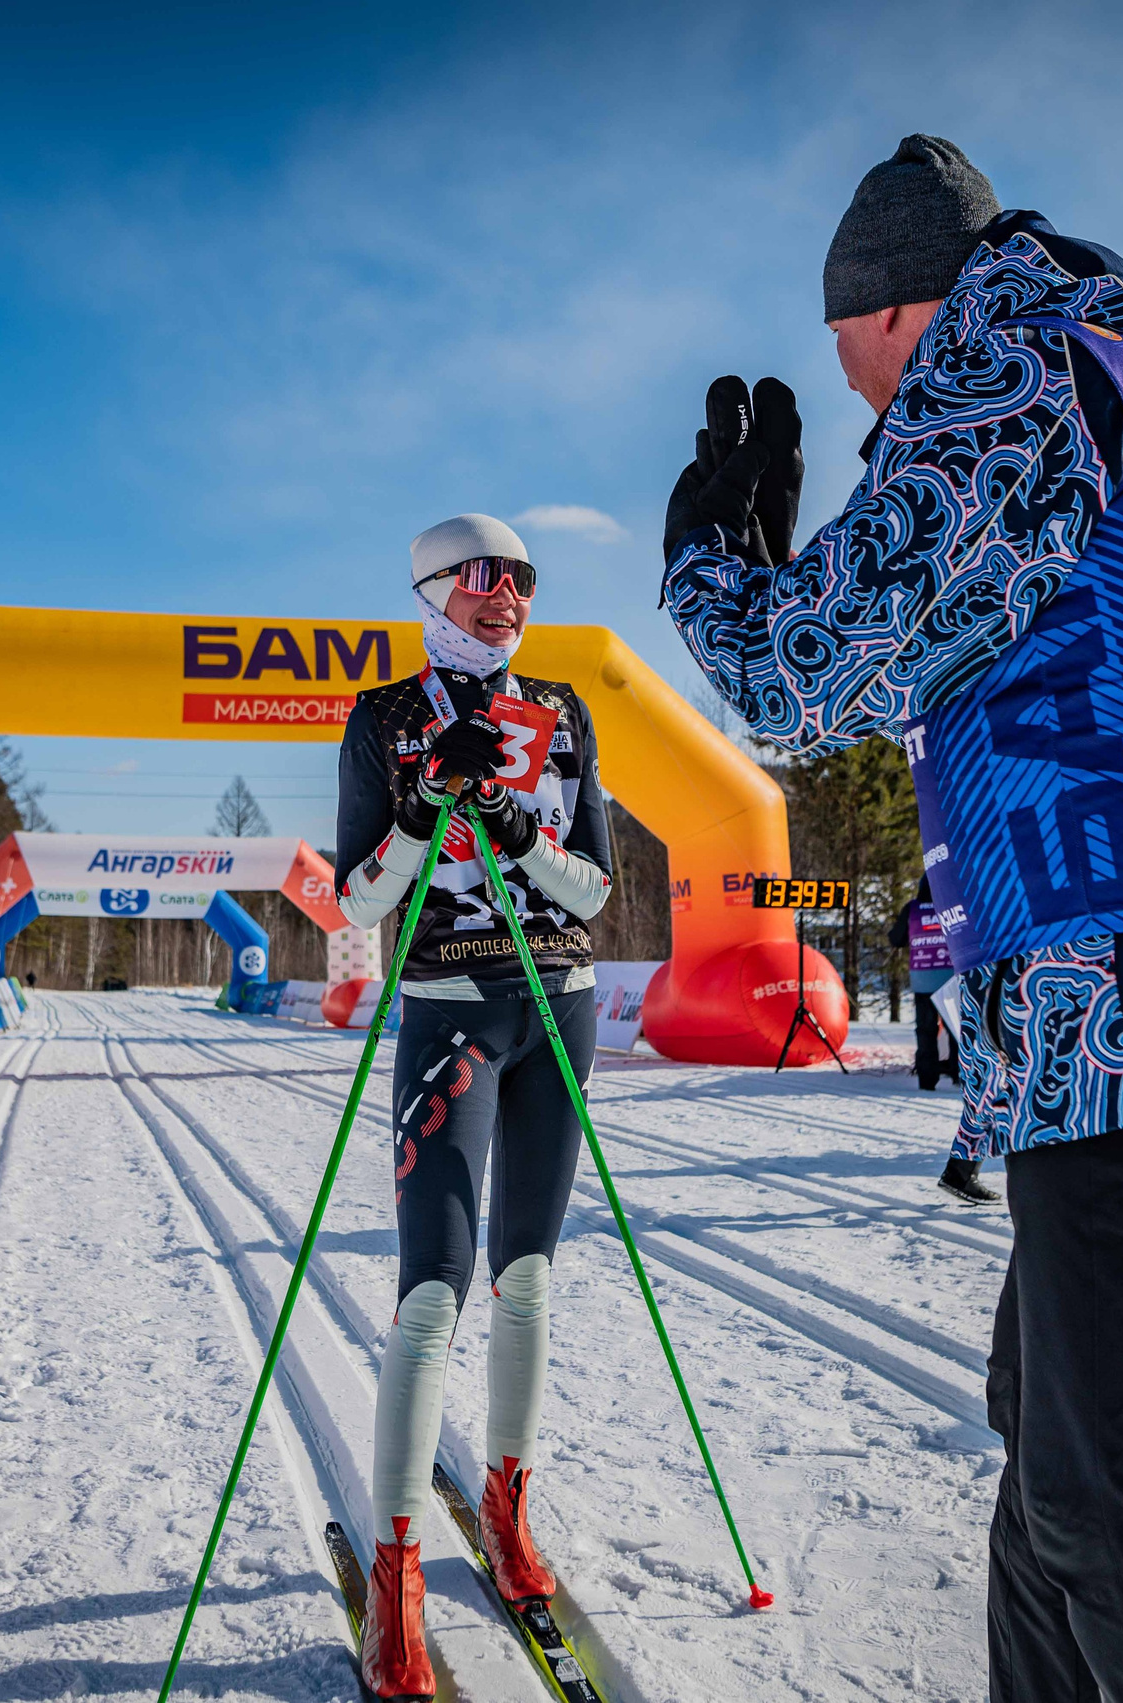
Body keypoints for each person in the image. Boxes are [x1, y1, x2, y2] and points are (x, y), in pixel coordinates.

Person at [661, 136, 1123, 1702]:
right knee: (1054, 1479)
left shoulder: (1011, 374)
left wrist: (712, 571)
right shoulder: (1073, 370)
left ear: (897, 310)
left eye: (847, 346)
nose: (854, 393)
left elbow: (813, 673)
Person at [333, 513, 616, 1700]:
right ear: (430, 589)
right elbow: (356, 902)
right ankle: (397, 1567)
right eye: (484, 577)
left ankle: (505, 1506)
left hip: (560, 999)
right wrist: (419, 815)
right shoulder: (385, 718)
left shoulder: (561, 704)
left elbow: (595, 888)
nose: (508, 595)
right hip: (450, 1003)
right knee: (433, 1291)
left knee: (531, 1277)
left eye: (525, 579)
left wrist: (517, 827)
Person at [889, 881, 995, 1204]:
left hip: (922, 979)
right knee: (958, 1033)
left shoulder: (912, 909)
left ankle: (927, 1079)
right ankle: (957, 1074)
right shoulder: (954, 903)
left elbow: (895, 938)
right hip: (952, 977)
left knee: (925, 1033)